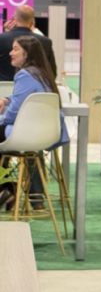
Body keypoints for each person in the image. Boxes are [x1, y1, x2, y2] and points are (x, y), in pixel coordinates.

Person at [0, 35, 69, 209]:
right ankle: (31, 198)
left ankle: (6, 189)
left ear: (27, 53)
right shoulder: (41, 73)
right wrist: (7, 100)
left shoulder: (24, 75)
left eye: (15, 49)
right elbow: (27, 98)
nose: (11, 53)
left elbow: (12, 115)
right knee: (27, 152)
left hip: (25, 134)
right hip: (45, 134)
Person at [0, 5, 57, 81]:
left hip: (3, 86)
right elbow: (52, 72)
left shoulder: (2, 39)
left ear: (15, 19)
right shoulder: (45, 42)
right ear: (32, 21)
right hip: (34, 87)